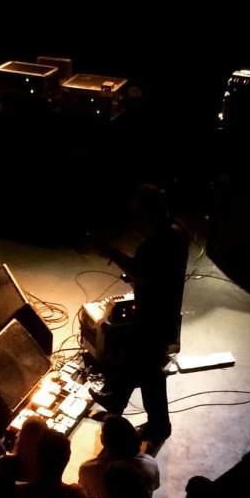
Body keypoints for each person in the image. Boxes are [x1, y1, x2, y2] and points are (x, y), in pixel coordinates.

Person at [90, 184, 190, 450]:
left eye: (139, 211)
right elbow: (158, 274)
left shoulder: (153, 244)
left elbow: (140, 270)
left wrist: (110, 251)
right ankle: (117, 400)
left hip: (153, 315)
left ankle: (158, 424)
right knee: (139, 360)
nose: (136, 218)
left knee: (149, 371)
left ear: (147, 212)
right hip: (166, 310)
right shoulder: (179, 230)